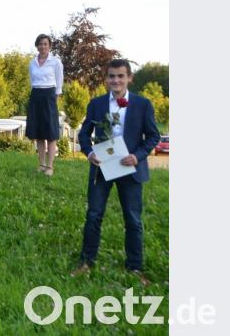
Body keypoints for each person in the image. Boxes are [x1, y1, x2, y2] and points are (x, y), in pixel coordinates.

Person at [71, 59, 160, 287]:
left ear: (129, 78)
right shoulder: (97, 104)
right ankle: (86, 263)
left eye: (121, 76)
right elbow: (84, 135)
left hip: (130, 168)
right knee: (93, 215)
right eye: (111, 76)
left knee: (133, 219)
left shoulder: (142, 104)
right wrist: (89, 153)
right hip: (102, 168)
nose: (116, 80)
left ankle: (135, 267)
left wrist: (138, 155)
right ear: (106, 79)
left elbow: (152, 136)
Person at [26, 34, 64, 176]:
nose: (42, 46)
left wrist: (55, 99)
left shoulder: (56, 62)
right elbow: (32, 80)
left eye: (45, 44)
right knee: (39, 132)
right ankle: (41, 164)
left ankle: (50, 167)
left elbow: (59, 84)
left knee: (51, 132)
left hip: (49, 96)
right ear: (37, 46)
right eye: (40, 44)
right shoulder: (32, 63)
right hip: (36, 95)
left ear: (50, 46)